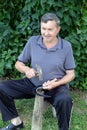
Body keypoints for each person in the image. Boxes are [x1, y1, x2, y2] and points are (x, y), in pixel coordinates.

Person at [0, 13, 75, 130]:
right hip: (33, 83)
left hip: (56, 86)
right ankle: (16, 122)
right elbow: (18, 64)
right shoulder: (33, 42)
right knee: (2, 87)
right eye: (43, 29)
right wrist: (27, 69)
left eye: (50, 29)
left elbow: (71, 74)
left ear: (58, 29)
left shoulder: (66, 47)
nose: (46, 33)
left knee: (65, 100)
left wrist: (56, 83)